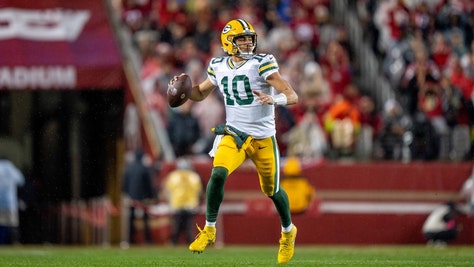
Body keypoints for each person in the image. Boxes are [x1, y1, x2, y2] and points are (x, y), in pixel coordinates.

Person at [168, 19, 299, 264]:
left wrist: (275, 101)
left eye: (250, 38)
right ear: (229, 42)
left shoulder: (262, 63)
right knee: (217, 174)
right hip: (234, 134)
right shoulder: (218, 65)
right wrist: (182, 90)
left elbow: (291, 95)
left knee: (272, 190)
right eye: (242, 39)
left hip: (262, 137)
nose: (248, 42)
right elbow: (199, 93)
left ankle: (288, 232)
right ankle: (209, 230)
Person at [163, 158, 203, 246]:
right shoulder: (194, 176)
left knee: (176, 226)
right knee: (189, 227)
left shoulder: (173, 176)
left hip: (177, 204)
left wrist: (170, 202)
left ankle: (174, 243)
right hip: (191, 205)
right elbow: (199, 191)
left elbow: (167, 190)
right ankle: (190, 244)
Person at [122, 148, 156, 244]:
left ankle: (130, 239)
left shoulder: (128, 168)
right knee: (145, 220)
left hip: (131, 198)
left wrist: (126, 194)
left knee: (131, 219)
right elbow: (148, 184)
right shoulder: (144, 168)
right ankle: (147, 239)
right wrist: (151, 196)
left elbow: (124, 183)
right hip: (143, 198)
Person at [0, 156, 25, 245]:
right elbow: (22, 181)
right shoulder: (11, 168)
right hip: (10, 202)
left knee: (1, 224)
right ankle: (15, 242)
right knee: (12, 224)